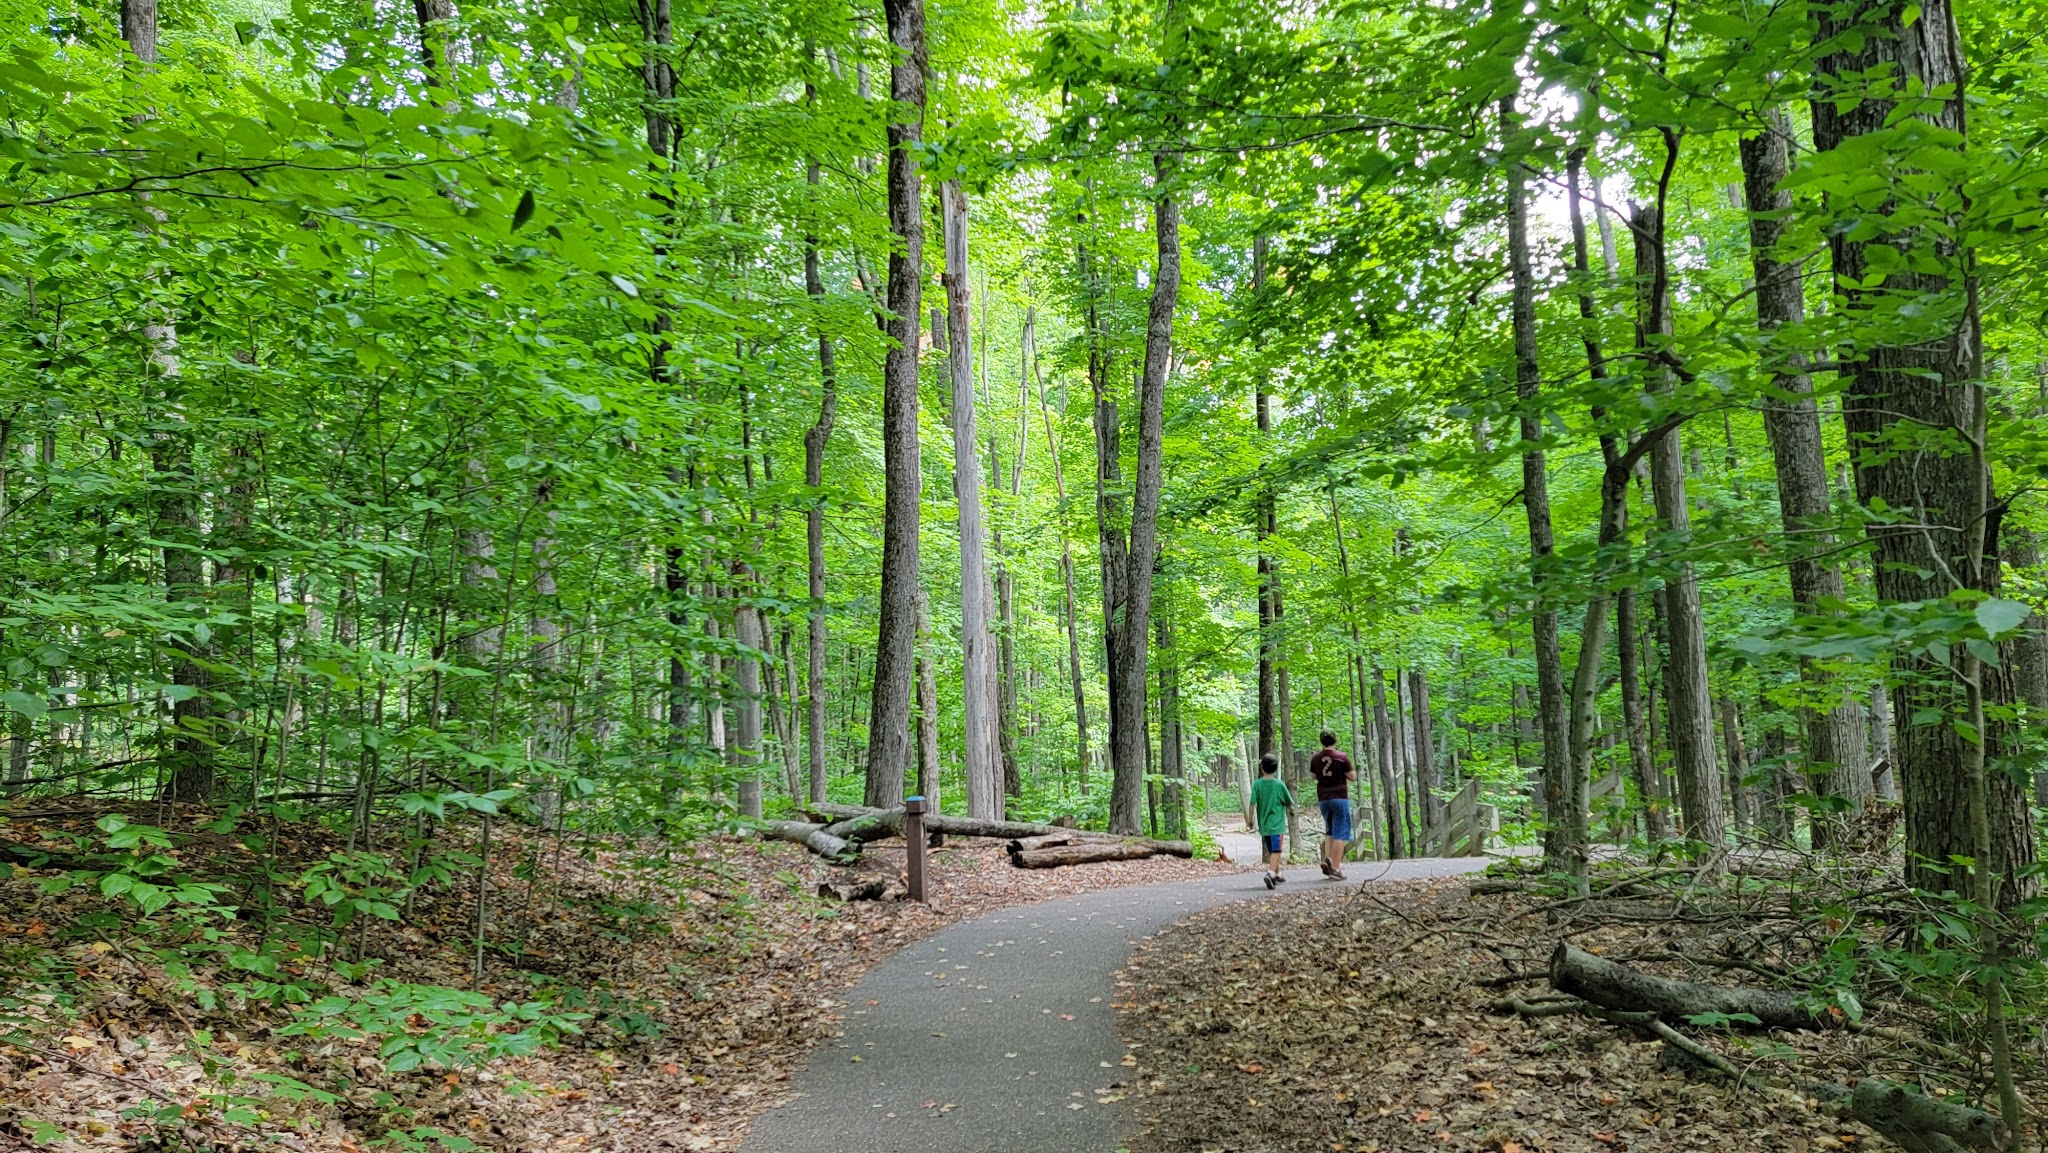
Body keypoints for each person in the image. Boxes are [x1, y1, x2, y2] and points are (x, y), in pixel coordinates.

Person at [1307, 730, 1356, 880]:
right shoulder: (1342, 757)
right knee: (1340, 833)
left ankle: (1328, 858)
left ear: (1321, 741)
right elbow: (1352, 777)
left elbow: (1313, 776)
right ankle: (1336, 867)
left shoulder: (1315, 758)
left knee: (1330, 830)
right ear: (1335, 740)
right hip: (1340, 797)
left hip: (1324, 798)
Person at [1249, 753, 1295, 890]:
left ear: (1262, 768)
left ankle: (1278, 874)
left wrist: (1249, 820)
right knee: (1277, 850)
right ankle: (1270, 873)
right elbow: (1289, 803)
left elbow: (1252, 804)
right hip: (1277, 825)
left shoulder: (1257, 784)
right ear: (1275, 768)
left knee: (1273, 850)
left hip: (1264, 826)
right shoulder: (1279, 785)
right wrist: (1291, 812)